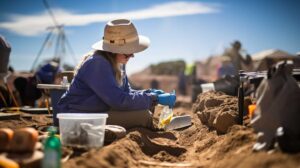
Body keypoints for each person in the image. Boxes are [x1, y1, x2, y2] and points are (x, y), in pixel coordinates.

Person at [57, 19, 176, 129]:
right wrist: (155, 99)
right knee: (143, 116)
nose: (132, 56)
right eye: (128, 52)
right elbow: (119, 101)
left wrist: (150, 93)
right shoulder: (98, 64)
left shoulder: (118, 62)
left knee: (145, 107)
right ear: (114, 50)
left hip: (95, 112)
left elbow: (126, 93)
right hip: (76, 117)